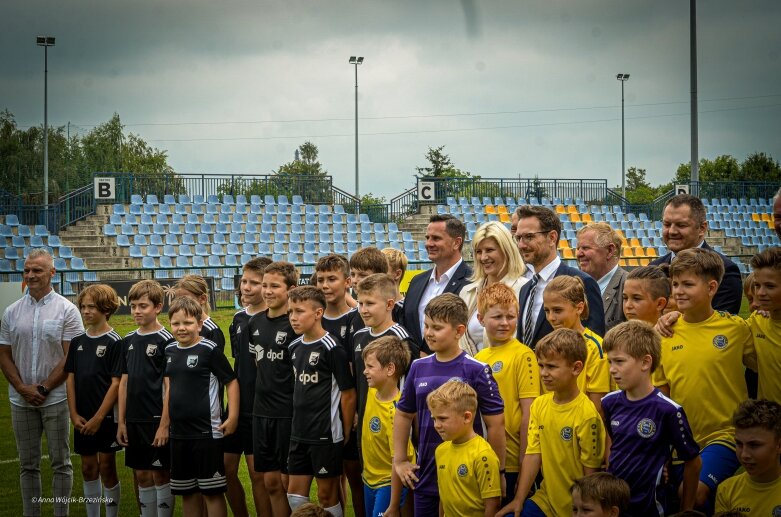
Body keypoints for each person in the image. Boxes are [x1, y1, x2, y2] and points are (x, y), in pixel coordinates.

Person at [653, 248, 756, 512]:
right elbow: (661, 395)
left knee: (694, 494)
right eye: (675, 284)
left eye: (688, 284)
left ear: (711, 287)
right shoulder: (665, 333)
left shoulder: (736, 328)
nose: (678, 291)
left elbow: (764, 358)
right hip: (681, 441)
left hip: (724, 435)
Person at [392, 293, 505, 516]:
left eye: (437, 327)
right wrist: (401, 460)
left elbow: (496, 425)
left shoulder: (477, 369)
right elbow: (403, 415)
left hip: (468, 476)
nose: (429, 333)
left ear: (459, 331)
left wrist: (498, 471)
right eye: (426, 326)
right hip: (426, 472)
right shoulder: (417, 367)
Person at [0, 248, 83, 517]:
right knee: (27, 464)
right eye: (26, 270)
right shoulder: (11, 312)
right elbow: (3, 354)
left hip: (56, 398)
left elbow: (71, 356)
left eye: (37, 270)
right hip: (20, 400)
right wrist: (23, 389)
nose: (30, 275)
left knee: (61, 462)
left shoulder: (67, 310)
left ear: (52, 273)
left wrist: (45, 387)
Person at [497, 328, 606, 517]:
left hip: (575, 506)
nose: (544, 373)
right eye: (541, 365)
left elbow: (591, 474)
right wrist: (519, 500)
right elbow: (533, 455)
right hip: (544, 501)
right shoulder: (539, 405)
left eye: (552, 367)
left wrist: (582, 509)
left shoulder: (587, 415)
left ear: (576, 368)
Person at [601, 321, 701, 515]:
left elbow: (693, 462)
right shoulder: (608, 403)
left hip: (651, 507)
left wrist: (686, 510)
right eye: (610, 362)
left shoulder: (668, 410)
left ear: (645, 362)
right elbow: (614, 445)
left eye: (619, 361)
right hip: (615, 507)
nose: (612, 369)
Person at [163, 297, 239, 517]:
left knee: (212, 493)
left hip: (207, 433)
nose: (181, 328)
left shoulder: (209, 350)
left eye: (187, 323)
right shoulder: (169, 351)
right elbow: (170, 389)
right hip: (179, 434)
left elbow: (231, 382)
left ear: (199, 324)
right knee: (187, 493)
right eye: (176, 324)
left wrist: (232, 416)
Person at [285, 286, 356, 517]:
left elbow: (347, 393)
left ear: (318, 313)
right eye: (290, 312)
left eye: (299, 311)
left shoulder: (332, 348)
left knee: (327, 496)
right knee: (294, 495)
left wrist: (344, 429)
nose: (293, 318)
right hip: (299, 432)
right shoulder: (294, 347)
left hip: (326, 434)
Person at [473, 283, 539, 503]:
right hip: (484, 455)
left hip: (511, 458)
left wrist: (524, 461)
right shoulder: (479, 358)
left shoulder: (523, 355)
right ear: (481, 319)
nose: (504, 323)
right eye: (497, 317)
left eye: (510, 317)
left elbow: (529, 412)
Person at [116, 279, 176, 517]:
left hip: (156, 420)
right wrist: (121, 422)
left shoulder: (167, 341)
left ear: (158, 307)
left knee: (160, 473)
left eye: (143, 306)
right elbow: (123, 382)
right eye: (133, 306)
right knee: (141, 475)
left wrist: (164, 424)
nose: (137, 311)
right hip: (133, 419)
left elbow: (170, 386)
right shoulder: (128, 340)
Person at [65, 284, 123, 517]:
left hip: (105, 418)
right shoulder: (77, 340)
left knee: (107, 467)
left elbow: (116, 383)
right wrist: (73, 413)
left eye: (92, 307)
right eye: (83, 307)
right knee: (88, 468)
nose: (86, 311)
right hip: (82, 417)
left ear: (106, 309)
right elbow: (70, 378)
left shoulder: (114, 341)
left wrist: (99, 418)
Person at [314, 254, 364, 516]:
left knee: (355, 475)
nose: (325, 285)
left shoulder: (358, 318)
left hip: (349, 409)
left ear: (347, 282)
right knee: (332, 480)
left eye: (332, 279)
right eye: (320, 279)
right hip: (321, 411)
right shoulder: (314, 318)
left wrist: (354, 410)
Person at [514, 205, 605, 349]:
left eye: (529, 237)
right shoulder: (525, 289)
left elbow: (592, 345)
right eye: (518, 238)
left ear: (552, 238)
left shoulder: (583, 282)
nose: (521, 245)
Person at [250, 261, 299, 517]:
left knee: (286, 483)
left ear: (291, 289)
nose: (267, 291)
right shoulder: (254, 323)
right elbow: (256, 366)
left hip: (287, 414)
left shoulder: (295, 325)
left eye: (274, 286)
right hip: (261, 412)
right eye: (264, 285)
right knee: (269, 482)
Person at [225, 257, 273, 517]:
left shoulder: (276, 320)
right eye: (244, 281)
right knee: (225, 469)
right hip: (236, 404)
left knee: (258, 474)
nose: (246, 287)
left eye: (254, 283)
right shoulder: (237, 319)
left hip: (261, 407)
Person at [649, 194, 742, 315]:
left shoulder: (725, 270)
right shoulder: (653, 268)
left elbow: (720, 326)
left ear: (702, 228)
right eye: (667, 224)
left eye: (681, 225)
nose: (671, 231)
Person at [352, 274, 418, 436]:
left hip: (393, 423)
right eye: (360, 303)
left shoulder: (401, 338)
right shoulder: (358, 336)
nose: (363, 310)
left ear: (389, 304)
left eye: (370, 304)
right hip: (365, 418)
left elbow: (412, 385)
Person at [429, 381, 501, 517]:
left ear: (467, 417)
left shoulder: (483, 455)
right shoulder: (440, 450)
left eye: (442, 419)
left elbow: (492, 505)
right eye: (434, 419)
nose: (436, 425)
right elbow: (444, 497)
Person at [403, 214, 472, 353]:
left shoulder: (471, 282)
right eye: (427, 238)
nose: (429, 243)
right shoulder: (417, 281)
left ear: (456, 243)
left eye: (436, 238)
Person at [360, 335, 413, 517]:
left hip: (388, 483)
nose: (364, 372)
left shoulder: (396, 413)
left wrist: (393, 505)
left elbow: (399, 462)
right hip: (369, 479)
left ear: (390, 369)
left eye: (370, 367)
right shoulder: (372, 389)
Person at [542, 275, 610, 415]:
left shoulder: (595, 347)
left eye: (557, 310)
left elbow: (597, 407)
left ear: (579, 308)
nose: (551, 318)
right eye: (547, 311)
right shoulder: (547, 344)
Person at [459, 221, 527, 354]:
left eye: (489, 250)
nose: (483, 257)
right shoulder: (467, 292)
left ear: (506, 250)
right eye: (479, 252)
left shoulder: (525, 288)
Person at [715, 399, 781, 515]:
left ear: (779, 445)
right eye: (739, 444)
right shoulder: (726, 490)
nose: (744, 455)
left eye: (754, 445)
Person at [576, 222, 627, 332]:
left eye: (585, 248)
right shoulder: (576, 286)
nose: (579, 254)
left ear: (609, 251)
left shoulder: (628, 286)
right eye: (578, 248)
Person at [747, 248, 781, 402]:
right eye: (757, 285)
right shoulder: (756, 321)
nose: (760, 293)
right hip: (770, 421)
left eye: (770, 286)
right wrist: (677, 315)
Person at [174, 274, 225, 351]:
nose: (181, 303)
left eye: (186, 299)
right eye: (178, 299)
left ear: (202, 299)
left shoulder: (212, 331)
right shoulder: (178, 327)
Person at [380, 247, 408, 324]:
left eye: (382, 271)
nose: (377, 275)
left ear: (397, 274)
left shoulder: (407, 309)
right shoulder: (370, 306)